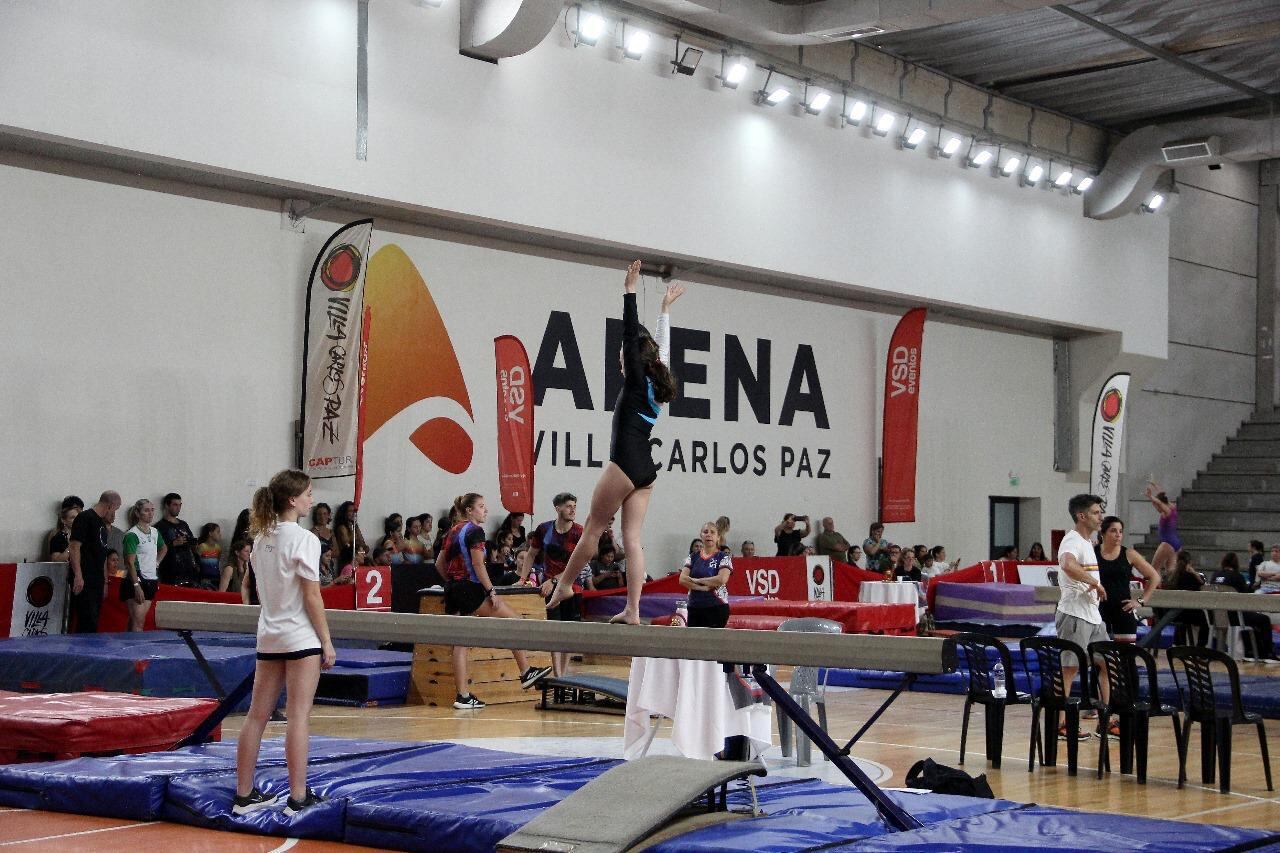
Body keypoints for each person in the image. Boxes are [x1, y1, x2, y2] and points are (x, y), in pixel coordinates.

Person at [546, 262, 683, 625]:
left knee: (593, 527)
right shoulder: (656, 383)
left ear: (634, 360)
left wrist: (629, 291)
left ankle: (565, 585)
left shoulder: (638, 381)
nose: (620, 362)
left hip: (624, 462)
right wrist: (665, 312)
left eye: (623, 359)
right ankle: (633, 611)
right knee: (632, 540)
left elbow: (629, 335)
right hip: (646, 472)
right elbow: (661, 350)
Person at [233, 469, 335, 817]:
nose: (312, 498)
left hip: (270, 634)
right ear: (292, 500)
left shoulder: (262, 538)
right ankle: (297, 796)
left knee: (255, 716)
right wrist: (327, 641)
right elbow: (312, 596)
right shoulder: (304, 538)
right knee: (298, 717)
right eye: (308, 493)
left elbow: (251, 586)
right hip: (300, 636)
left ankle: (243, 794)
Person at [439, 493, 551, 708]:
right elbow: (479, 565)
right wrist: (491, 591)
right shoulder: (475, 531)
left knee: (460, 644)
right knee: (514, 622)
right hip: (470, 589)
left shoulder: (451, 531)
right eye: (481, 506)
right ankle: (526, 672)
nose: (486, 510)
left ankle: (463, 696)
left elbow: (439, 564)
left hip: (452, 589)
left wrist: (453, 583)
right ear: (470, 511)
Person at [1055, 493, 1111, 739]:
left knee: (1107, 664)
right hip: (1074, 614)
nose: (1101, 517)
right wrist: (1093, 582)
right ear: (1082, 515)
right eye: (1097, 512)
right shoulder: (1072, 541)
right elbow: (1067, 564)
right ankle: (1062, 724)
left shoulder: (1088, 542)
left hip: (1093, 615)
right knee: (1069, 668)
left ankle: (1106, 720)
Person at [531, 492, 585, 675]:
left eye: (575, 506)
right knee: (553, 630)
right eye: (569, 506)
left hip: (572, 586)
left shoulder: (579, 531)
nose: (573, 510)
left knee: (568, 631)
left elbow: (577, 564)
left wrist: (554, 580)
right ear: (558, 508)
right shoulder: (544, 529)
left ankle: (563, 671)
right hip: (548, 587)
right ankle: (557, 673)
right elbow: (531, 553)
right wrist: (523, 579)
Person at [1095, 517, 1160, 643]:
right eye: (1113, 531)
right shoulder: (1092, 552)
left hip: (1123, 608)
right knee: (1100, 655)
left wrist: (1141, 601)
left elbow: (1154, 577)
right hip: (1098, 608)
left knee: (1127, 655)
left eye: (1120, 531)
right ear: (1103, 533)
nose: (1118, 534)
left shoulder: (1129, 554)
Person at [1210, 553, 1279, 663]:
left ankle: (1251, 652)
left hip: (1216, 617)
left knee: (1254, 618)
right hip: (1234, 616)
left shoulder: (1215, 575)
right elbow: (1245, 599)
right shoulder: (1237, 576)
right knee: (1263, 619)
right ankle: (1266, 653)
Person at [68, 491, 121, 634]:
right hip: (85, 578)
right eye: (115, 510)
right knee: (85, 620)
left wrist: (104, 582)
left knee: (93, 621)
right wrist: (78, 575)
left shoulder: (101, 525)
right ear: (109, 506)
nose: (114, 514)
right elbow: (74, 546)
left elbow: (102, 555)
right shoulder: (85, 518)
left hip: (96, 580)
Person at [121, 498, 167, 632]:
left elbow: (164, 548)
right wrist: (136, 585)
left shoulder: (154, 532)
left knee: (136, 620)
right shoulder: (132, 535)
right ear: (138, 513)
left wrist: (156, 563)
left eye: (152, 510)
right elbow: (129, 562)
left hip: (151, 578)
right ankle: (135, 650)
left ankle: (127, 646)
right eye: (146, 510)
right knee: (138, 622)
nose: (150, 513)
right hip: (137, 579)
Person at [680, 521, 734, 628]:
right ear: (701, 535)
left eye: (712, 532)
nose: (708, 534)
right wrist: (702, 588)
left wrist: (697, 580)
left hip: (716, 606)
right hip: (694, 606)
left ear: (718, 537)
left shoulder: (723, 557)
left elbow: (721, 579)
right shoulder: (693, 557)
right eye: (705, 532)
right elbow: (682, 579)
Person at [1159, 549, 1209, 647]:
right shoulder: (1191, 577)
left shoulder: (1169, 577)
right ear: (1189, 563)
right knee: (1203, 621)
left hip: (1169, 613)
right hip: (1187, 613)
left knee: (1180, 615)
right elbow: (1201, 587)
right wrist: (1194, 572)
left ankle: (1177, 643)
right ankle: (1200, 647)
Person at [156, 493, 201, 587]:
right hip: (171, 572)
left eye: (180, 505)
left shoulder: (183, 524)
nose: (178, 508)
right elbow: (156, 549)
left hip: (189, 571)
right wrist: (173, 543)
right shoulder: (159, 527)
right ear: (166, 505)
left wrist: (195, 546)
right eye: (175, 505)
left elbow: (191, 541)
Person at [1145, 480, 1180, 581]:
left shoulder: (1167, 511)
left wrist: (1150, 496)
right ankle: (1171, 588)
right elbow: (1162, 494)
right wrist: (1155, 485)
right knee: (1170, 570)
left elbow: (1159, 502)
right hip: (1176, 543)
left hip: (1167, 543)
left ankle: (1156, 589)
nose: (1156, 508)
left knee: (1155, 568)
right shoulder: (1172, 506)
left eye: (1155, 506)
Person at [332, 501, 367, 570]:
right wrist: (361, 550)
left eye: (354, 511)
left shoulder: (354, 526)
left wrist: (361, 550)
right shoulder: (342, 527)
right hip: (347, 562)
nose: (353, 514)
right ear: (344, 513)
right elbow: (348, 548)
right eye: (350, 511)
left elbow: (364, 545)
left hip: (357, 560)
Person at [196, 523, 223, 587]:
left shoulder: (218, 548)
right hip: (204, 578)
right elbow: (197, 562)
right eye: (218, 532)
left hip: (216, 577)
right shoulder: (202, 546)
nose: (220, 534)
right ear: (210, 533)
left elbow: (217, 561)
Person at [310, 503, 334, 577]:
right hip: (318, 567)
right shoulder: (313, 532)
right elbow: (313, 552)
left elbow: (337, 552)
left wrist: (326, 553)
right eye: (319, 514)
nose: (322, 516)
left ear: (329, 515)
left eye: (325, 514)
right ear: (315, 516)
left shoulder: (331, 532)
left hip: (330, 567)